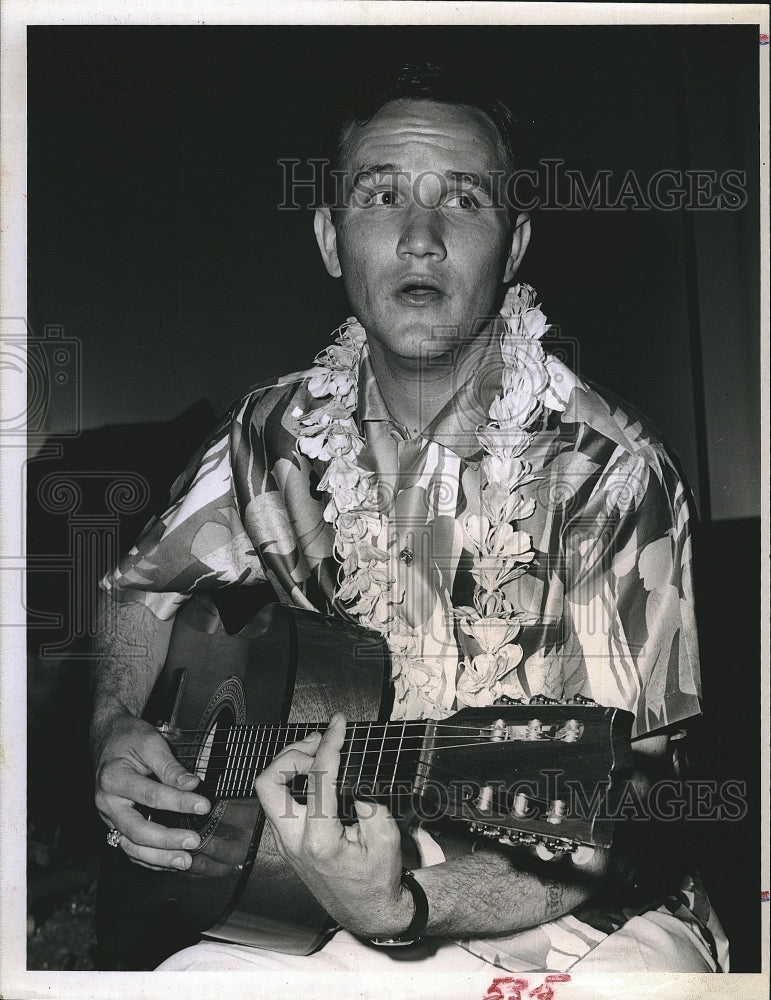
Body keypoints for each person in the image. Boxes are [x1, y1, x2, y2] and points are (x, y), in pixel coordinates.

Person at [91, 63, 728, 990]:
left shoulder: (609, 470)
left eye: (462, 200)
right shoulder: (268, 432)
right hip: (297, 894)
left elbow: (624, 803)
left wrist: (406, 905)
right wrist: (115, 725)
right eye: (381, 195)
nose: (421, 238)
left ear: (512, 247)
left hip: (577, 917)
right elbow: (141, 594)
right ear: (328, 237)